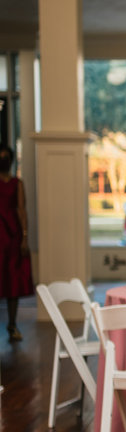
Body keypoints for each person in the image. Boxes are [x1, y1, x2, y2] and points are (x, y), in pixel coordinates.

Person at [0, 145, 33, 341]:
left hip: (12, 234)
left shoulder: (17, 183)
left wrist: (25, 236)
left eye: (5, 157)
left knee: (12, 279)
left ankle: (12, 323)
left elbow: (22, 210)